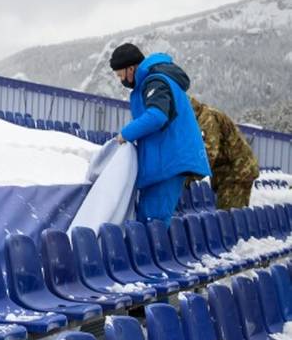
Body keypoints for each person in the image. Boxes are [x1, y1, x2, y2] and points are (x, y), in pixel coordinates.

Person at [108, 44, 210, 222]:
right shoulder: (152, 81)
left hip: (170, 160)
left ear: (130, 68)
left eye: (120, 74)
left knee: (152, 222)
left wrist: (125, 133)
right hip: (165, 159)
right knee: (149, 220)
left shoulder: (155, 81)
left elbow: (157, 116)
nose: (121, 80)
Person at [190, 96, 259, 209]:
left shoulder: (207, 119)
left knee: (229, 217)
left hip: (236, 173)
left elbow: (209, 154)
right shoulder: (204, 116)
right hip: (234, 172)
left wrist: (190, 177)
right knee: (233, 216)